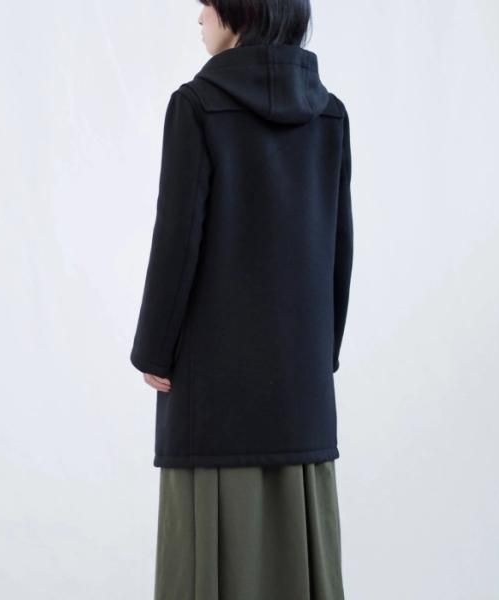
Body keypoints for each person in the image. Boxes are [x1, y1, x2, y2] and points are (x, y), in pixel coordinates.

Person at [130, 0, 353, 597]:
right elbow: (338, 251)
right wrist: (320, 359)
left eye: (206, 2)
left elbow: (177, 237)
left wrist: (153, 350)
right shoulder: (330, 114)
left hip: (211, 397)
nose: (198, 15)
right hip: (301, 392)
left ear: (241, 10)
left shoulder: (197, 106)